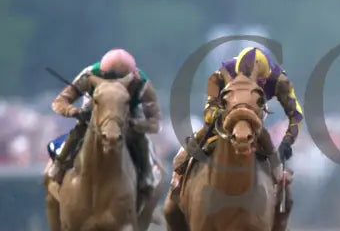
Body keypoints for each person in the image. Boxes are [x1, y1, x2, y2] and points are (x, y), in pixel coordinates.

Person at [169, 46, 302, 198]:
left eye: (260, 82)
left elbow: (296, 114)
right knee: (207, 129)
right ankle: (179, 172)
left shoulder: (279, 80)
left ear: (266, 77)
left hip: (256, 112)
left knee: (263, 136)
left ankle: (278, 181)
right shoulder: (225, 72)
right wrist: (215, 112)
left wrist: (287, 141)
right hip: (226, 109)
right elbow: (210, 103)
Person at [49, 49, 160, 200]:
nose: (113, 86)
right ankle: (60, 164)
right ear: (101, 74)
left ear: (131, 77)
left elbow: (155, 121)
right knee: (80, 129)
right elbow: (59, 102)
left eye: (120, 79)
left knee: (141, 139)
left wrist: (137, 124)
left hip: (128, 113)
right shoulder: (88, 75)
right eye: (108, 79)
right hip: (96, 109)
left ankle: (146, 176)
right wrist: (75, 111)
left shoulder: (142, 83)